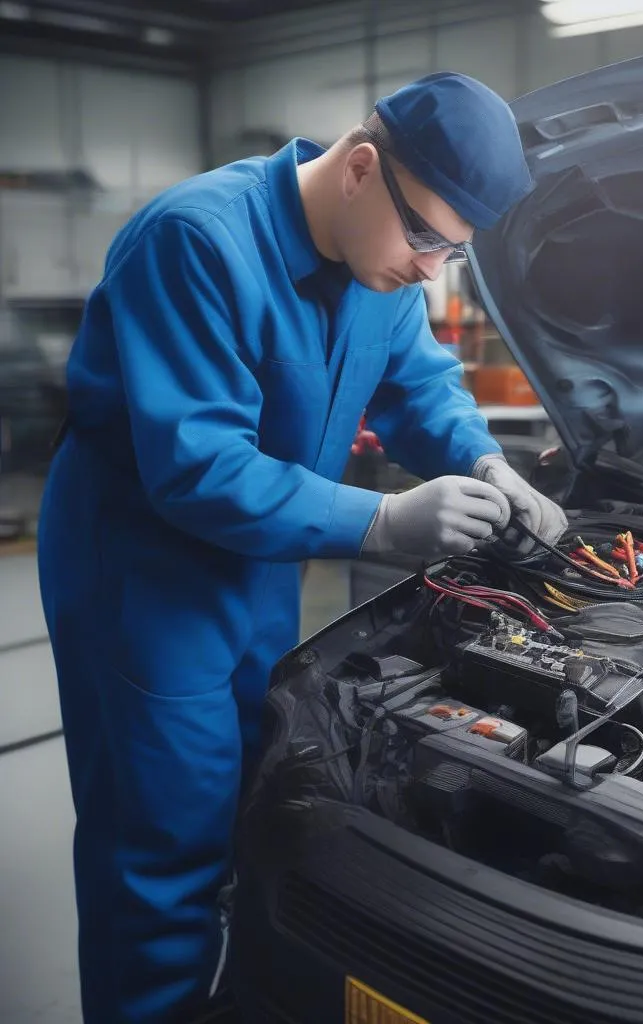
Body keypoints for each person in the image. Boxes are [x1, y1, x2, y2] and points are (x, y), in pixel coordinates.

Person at [36, 71, 567, 1023]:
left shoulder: (380, 265)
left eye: (455, 252)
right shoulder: (197, 242)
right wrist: (384, 522)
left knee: (261, 799)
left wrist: (489, 464)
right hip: (147, 575)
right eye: (430, 239)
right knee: (163, 845)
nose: (431, 268)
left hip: (266, 564)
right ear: (362, 167)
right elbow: (196, 467)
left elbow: (421, 386)